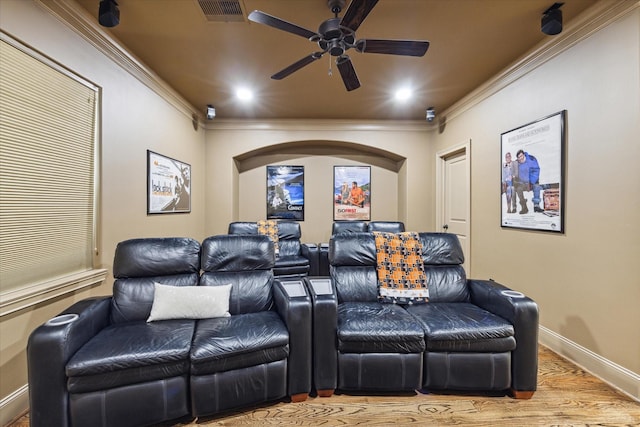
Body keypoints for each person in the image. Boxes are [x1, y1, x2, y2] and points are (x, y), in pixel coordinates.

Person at [514, 149, 542, 214]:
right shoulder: (516, 163)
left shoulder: (531, 160)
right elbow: (517, 175)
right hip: (523, 182)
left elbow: (536, 171)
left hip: (532, 180)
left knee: (536, 186)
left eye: (521, 156)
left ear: (524, 155)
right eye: (518, 157)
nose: (520, 158)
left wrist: (531, 182)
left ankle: (536, 206)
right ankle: (524, 207)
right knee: (518, 189)